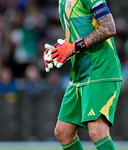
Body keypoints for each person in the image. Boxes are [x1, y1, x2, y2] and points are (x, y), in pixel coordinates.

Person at [43, 0, 122, 149]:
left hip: (101, 69)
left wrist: (74, 47)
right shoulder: (62, 1)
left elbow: (108, 27)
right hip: (80, 73)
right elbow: (77, 34)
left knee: (97, 131)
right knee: (63, 133)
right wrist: (58, 50)